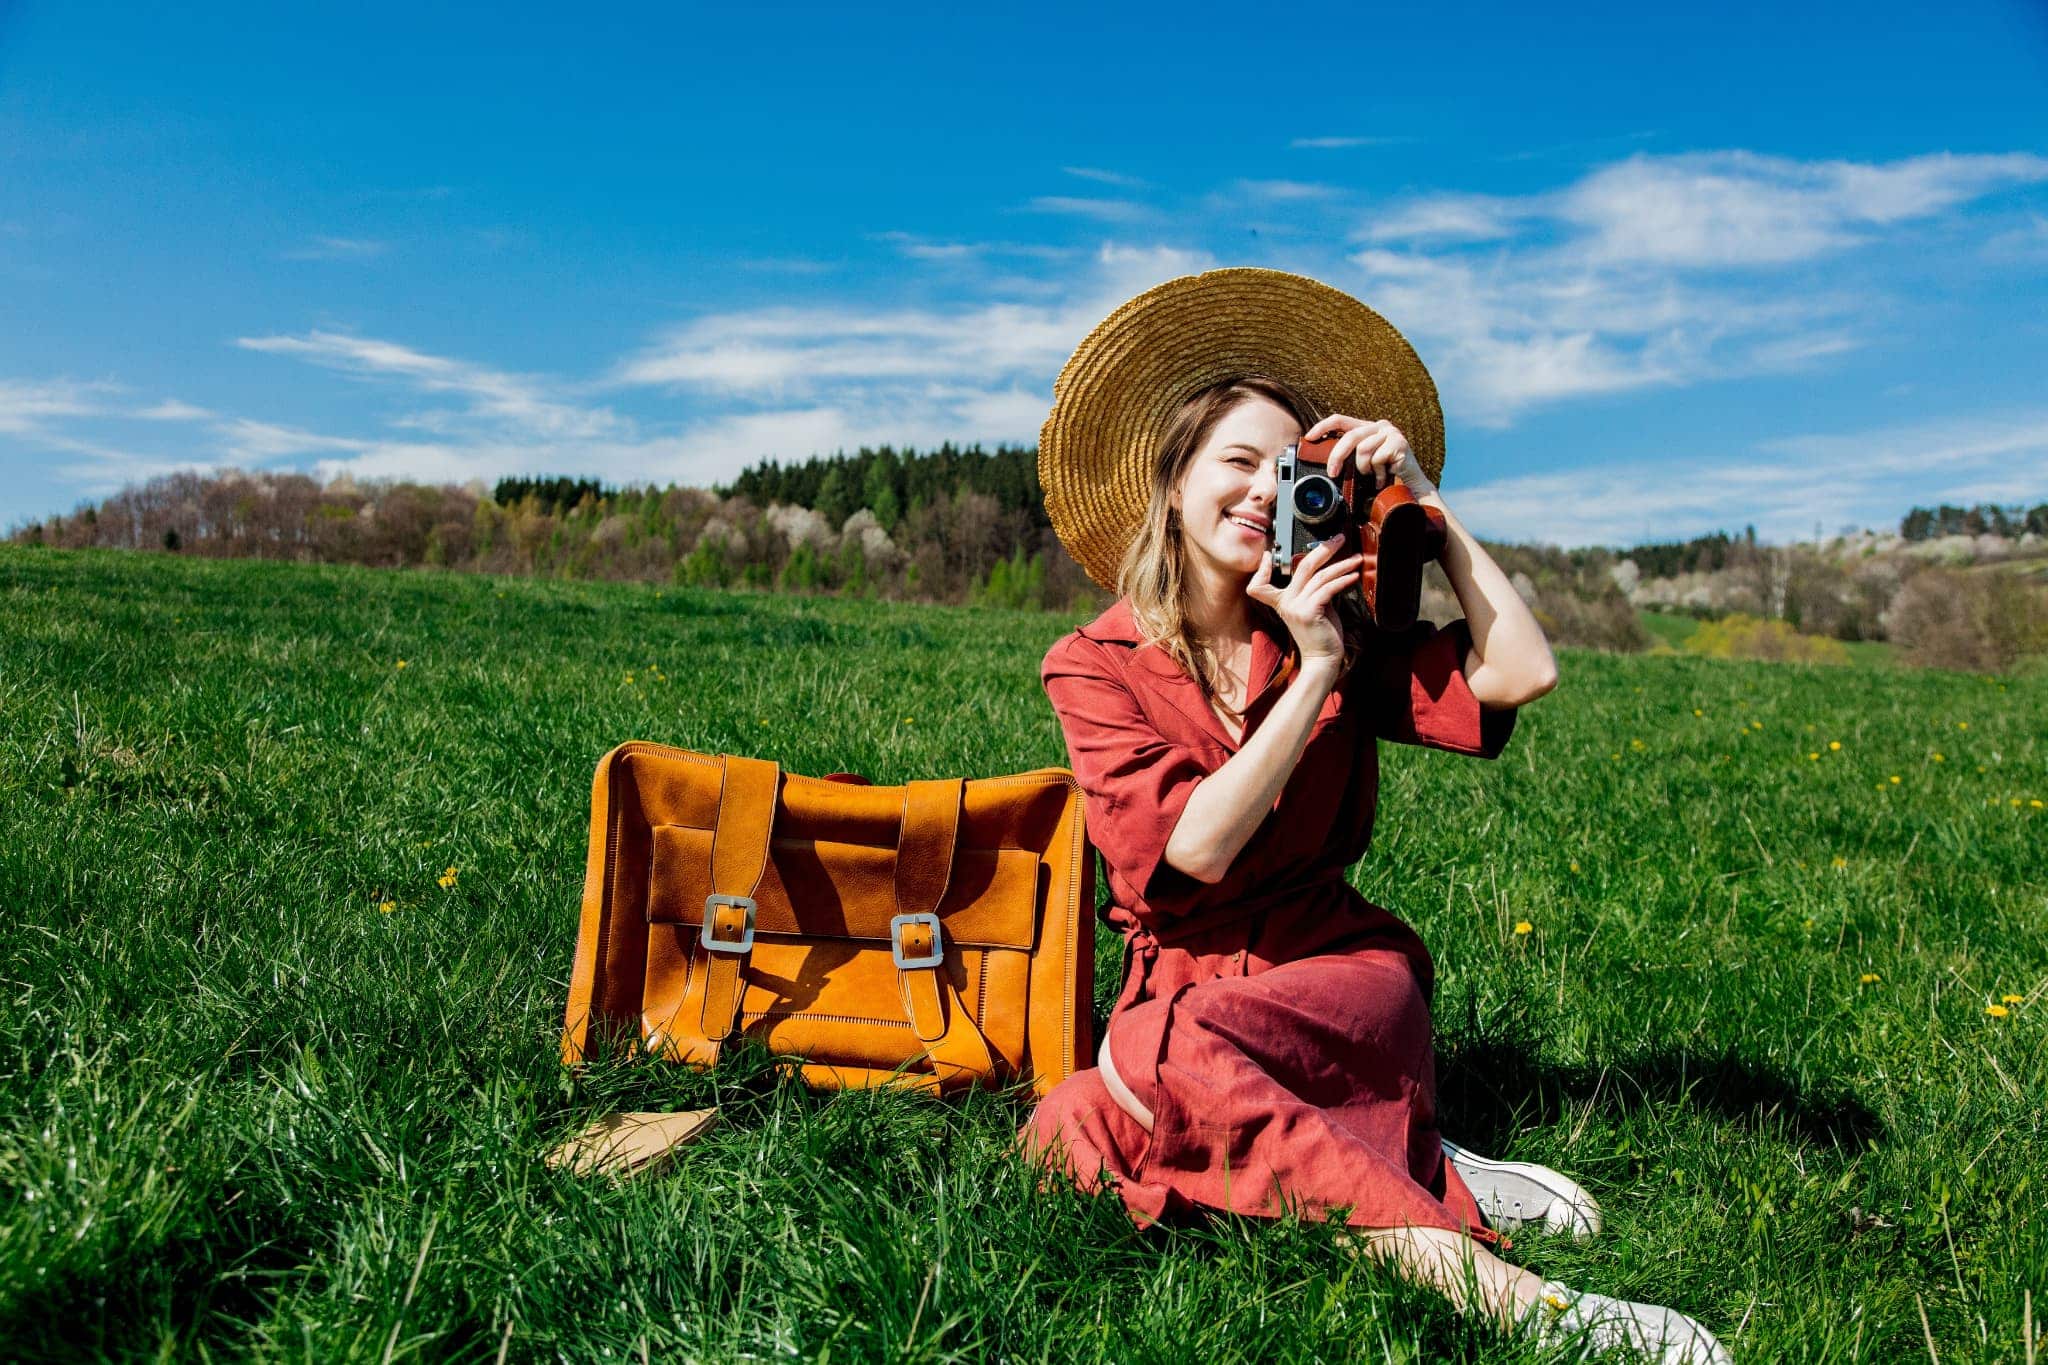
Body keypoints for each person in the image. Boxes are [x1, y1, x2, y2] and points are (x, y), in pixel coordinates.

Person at [1022, 269, 1729, 1364]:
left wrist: (1425, 512)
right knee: (1064, 1134)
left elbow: (1519, 670)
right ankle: (1413, 1158)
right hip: (1187, 982)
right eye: (1237, 462)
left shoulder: (1339, 631)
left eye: (1293, 468)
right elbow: (1189, 851)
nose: (1264, 491)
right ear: (1171, 486)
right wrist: (1310, 678)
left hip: (1338, 972)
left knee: (1144, 1070)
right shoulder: (1093, 664)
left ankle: (1503, 1295)